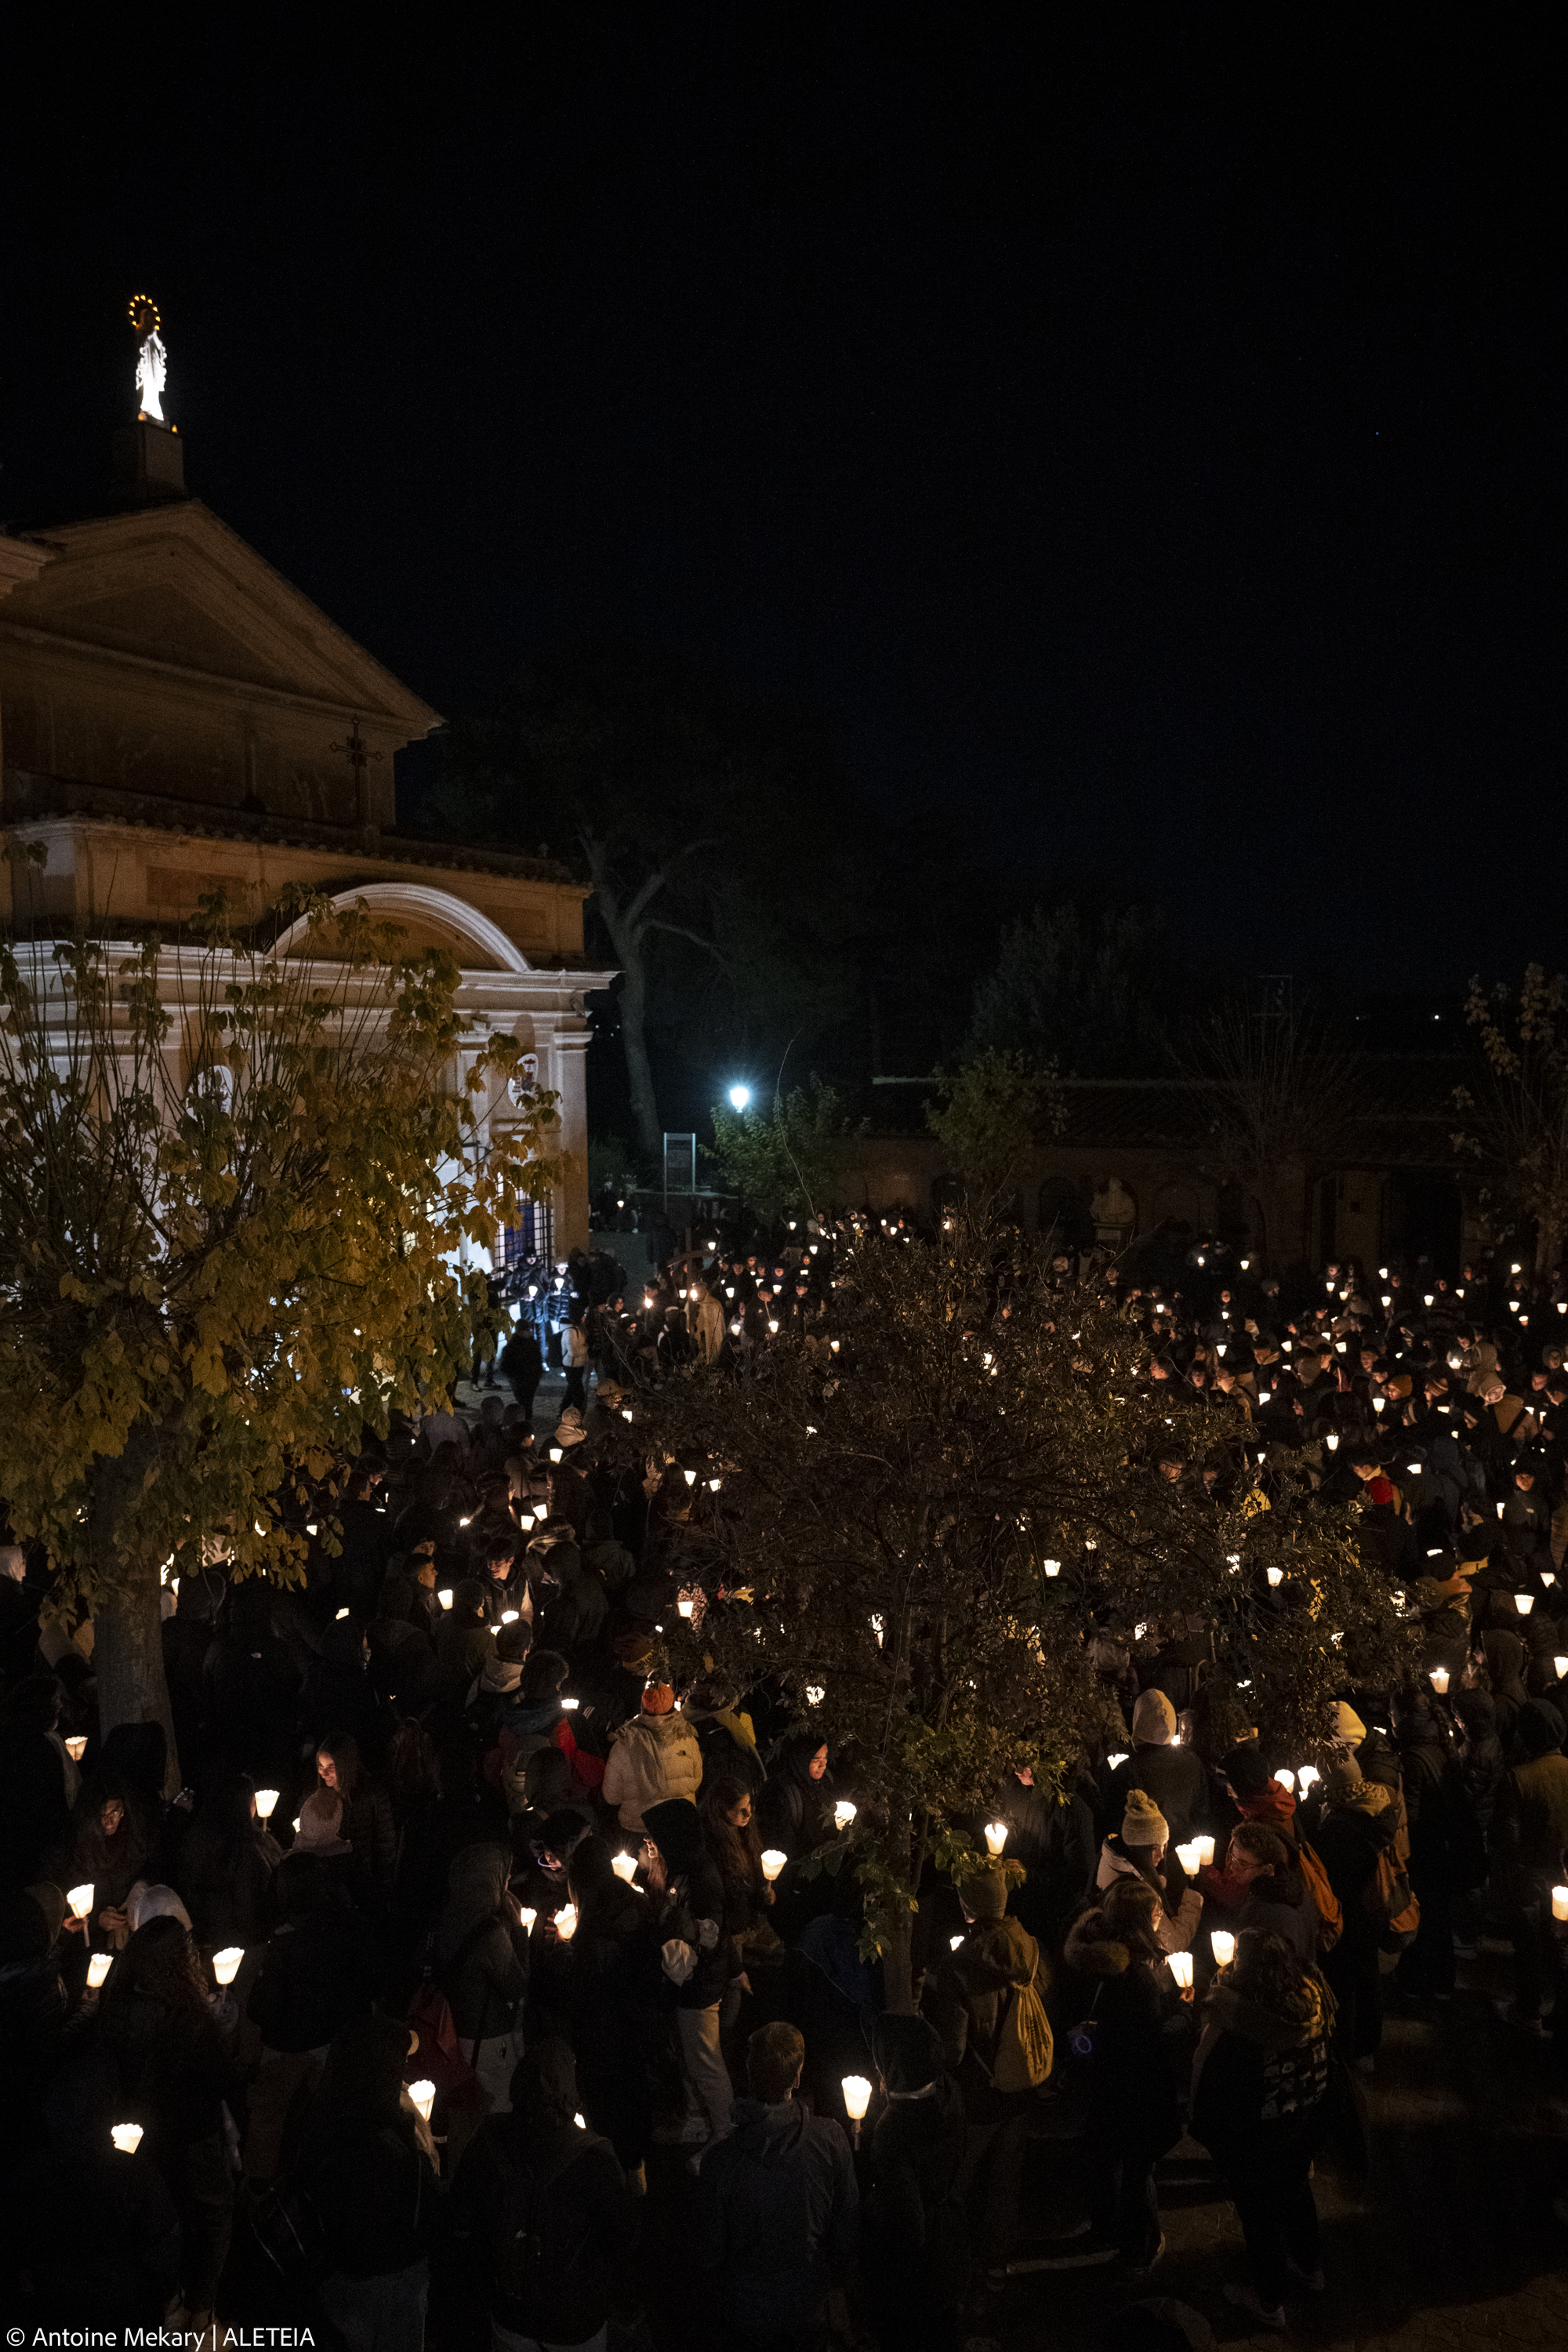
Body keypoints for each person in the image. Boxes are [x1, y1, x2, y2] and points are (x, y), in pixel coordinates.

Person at [95, 1914, 241, 2332]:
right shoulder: (190, 2019)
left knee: (159, 2220)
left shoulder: (119, 2007)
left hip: (141, 2136)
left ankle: (165, 2307)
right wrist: (223, 2032)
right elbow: (220, 2082)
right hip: (193, 2134)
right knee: (212, 2217)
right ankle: (200, 2316)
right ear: (181, 1962)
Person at [451, 2036, 639, 2352]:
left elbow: (461, 2213)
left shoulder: (488, 2137)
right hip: (574, 2320)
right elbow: (623, 2237)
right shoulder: (594, 2157)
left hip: (509, 2311)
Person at [1190, 1926, 1333, 2329]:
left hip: (1258, 2142)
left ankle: (1269, 2303)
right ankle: (1311, 2267)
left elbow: (1220, 2092)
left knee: (1261, 2218)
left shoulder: (1242, 2026)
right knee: (1297, 2195)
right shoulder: (1311, 2005)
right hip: (1303, 2127)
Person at [922, 1865, 1052, 2287]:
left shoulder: (958, 1968)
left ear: (967, 1908)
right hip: (1022, 2082)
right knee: (1006, 2175)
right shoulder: (1030, 1948)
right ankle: (997, 2262)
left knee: (961, 2173)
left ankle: (948, 2260)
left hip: (979, 2093)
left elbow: (955, 2048)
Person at [694, 2019, 858, 2350]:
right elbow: (847, 2227)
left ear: (749, 2076)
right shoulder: (830, 2139)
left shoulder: (720, 2162)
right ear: (797, 2077)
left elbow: (708, 2251)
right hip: (809, 2301)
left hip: (744, 2311)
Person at [1064, 1876, 1192, 2275]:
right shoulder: (1135, 1979)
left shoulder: (1083, 1955)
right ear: (1140, 1921)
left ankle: (1103, 2227)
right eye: (1155, 1915)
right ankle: (1141, 2245)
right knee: (1137, 2169)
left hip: (1096, 2077)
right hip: (1133, 2086)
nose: (1159, 1921)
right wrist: (1184, 2012)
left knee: (1101, 2155)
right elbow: (1149, 2039)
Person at [293, 2013, 440, 2352]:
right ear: (381, 2070)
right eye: (400, 2065)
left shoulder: (319, 2113)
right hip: (386, 2284)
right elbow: (421, 2209)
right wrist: (424, 2152)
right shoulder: (385, 2144)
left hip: (333, 2277)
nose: (404, 2074)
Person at [859, 2012, 967, 2352]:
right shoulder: (949, 2091)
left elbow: (908, 2227)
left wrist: (868, 2201)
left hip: (915, 2279)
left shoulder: (892, 2132)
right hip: (951, 2246)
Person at [642, 1795, 734, 2154]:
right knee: (689, 2059)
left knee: (706, 2064)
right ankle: (697, 2122)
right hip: (687, 1986)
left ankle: (726, 2134)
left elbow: (709, 1935)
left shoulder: (702, 1878)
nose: (648, 1843)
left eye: (655, 1837)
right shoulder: (679, 1867)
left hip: (700, 1988)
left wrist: (678, 1925)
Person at [175, 1769, 281, 1948]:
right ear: (248, 1806)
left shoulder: (195, 1842)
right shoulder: (252, 1850)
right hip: (248, 1941)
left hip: (205, 1940)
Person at [1094, 1788, 1203, 1954]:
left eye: (1163, 1845)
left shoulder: (1111, 1856)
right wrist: (1193, 1897)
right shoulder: (1139, 1894)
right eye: (1153, 1848)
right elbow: (1173, 1945)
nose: (1161, 1855)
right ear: (1138, 1849)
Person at [1102, 1689, 1212, 1844]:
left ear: (1138, 1721)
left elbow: (1115, 1823)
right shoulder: (1192, 1761)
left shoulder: (1127, 1771)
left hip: (1145, 1857)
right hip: (1185, 1852)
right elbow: (1202, 1812)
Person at [601, 1680, 702, 1835]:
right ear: (671, 1707)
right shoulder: (687, 1737)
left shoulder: (625, 1742)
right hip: (680, 1828)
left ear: (643, 1706)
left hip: (638, 1828)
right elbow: (695, 1781)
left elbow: (611, 1796)